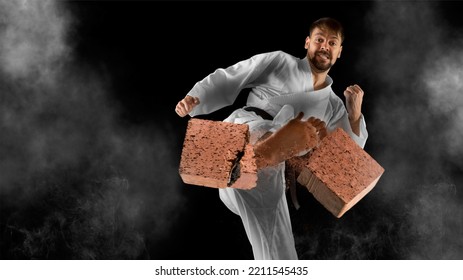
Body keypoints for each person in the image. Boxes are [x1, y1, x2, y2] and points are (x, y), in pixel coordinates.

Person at [175, 17, 368, 260]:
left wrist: (354, 113)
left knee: (275, 234)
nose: (324, 46)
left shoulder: (333, 105)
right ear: (307, 42)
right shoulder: (280, 61)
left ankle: (264, 154)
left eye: (332, 43)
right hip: (243, 130)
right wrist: (198, 97)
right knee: (277, 137)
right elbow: (234, 75)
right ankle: (277, 141)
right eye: (319, 39)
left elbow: (347, 157)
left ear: (339, 52)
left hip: (261, 173)